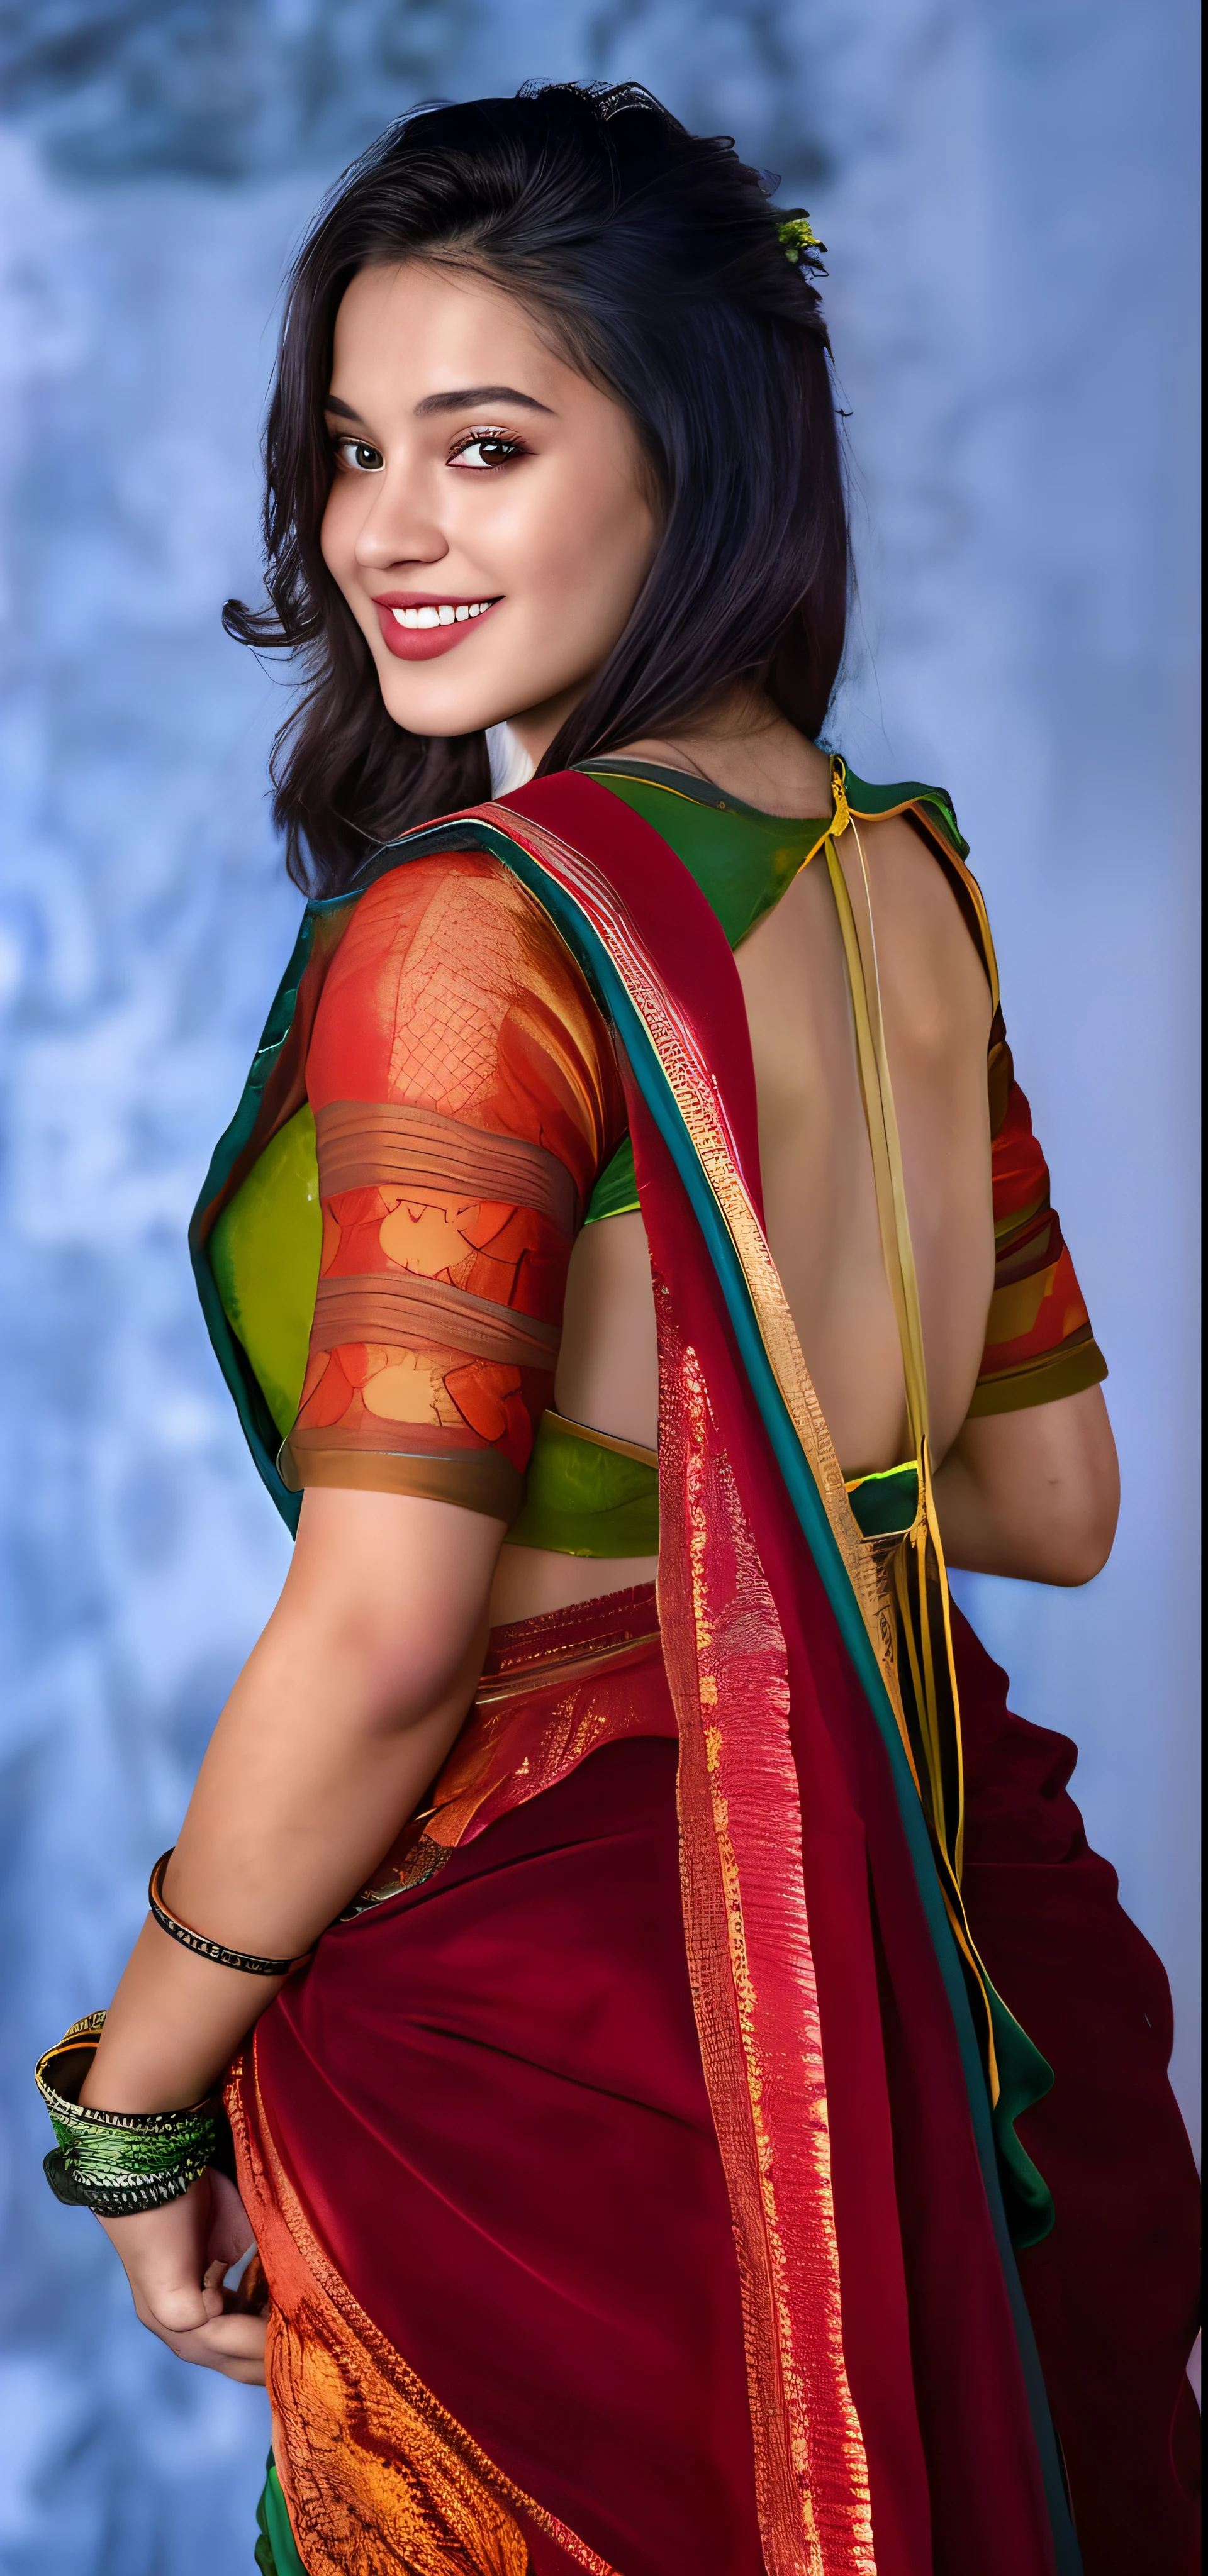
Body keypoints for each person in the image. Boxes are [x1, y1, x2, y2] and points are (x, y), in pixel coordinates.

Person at [36, 82, 1199, 2576]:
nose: (385, 532)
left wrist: (134, 2103)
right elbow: (1046, 1495)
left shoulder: (486, 931)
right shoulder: (896, 881)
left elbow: (382, 1631)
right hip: (950, 1931)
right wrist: (728, 1483)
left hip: (586, 2041)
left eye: (486, 443)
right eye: (354, 447)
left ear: (694, 455)